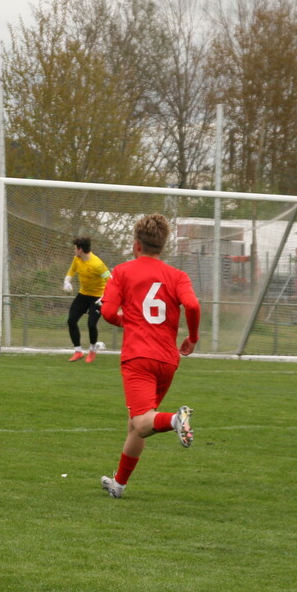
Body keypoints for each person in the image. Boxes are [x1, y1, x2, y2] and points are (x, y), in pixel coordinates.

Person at [98, 213, 200, 499]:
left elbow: (108, 312)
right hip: (167, 359)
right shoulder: (177, 276)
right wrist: (192, 337)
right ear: (162, 246)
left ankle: (176, 419)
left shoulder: (122, 272)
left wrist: (126, 321)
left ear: (136, 245)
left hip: (138, 357)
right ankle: (118, 484)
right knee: (136, 424)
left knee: (143, 422)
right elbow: (192, 306)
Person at [63, 236, 112, 362]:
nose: (74, 250)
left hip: (97, 297)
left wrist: (104, 297)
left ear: (80, 249)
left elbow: (111, 280)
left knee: (91, 324)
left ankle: (92, 350)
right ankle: (78, 351)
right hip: (83, 294)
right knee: (71, 321)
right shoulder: (77, 259)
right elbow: (71, 271)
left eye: (75, 248)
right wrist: (67, 281)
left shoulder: (97, 264)